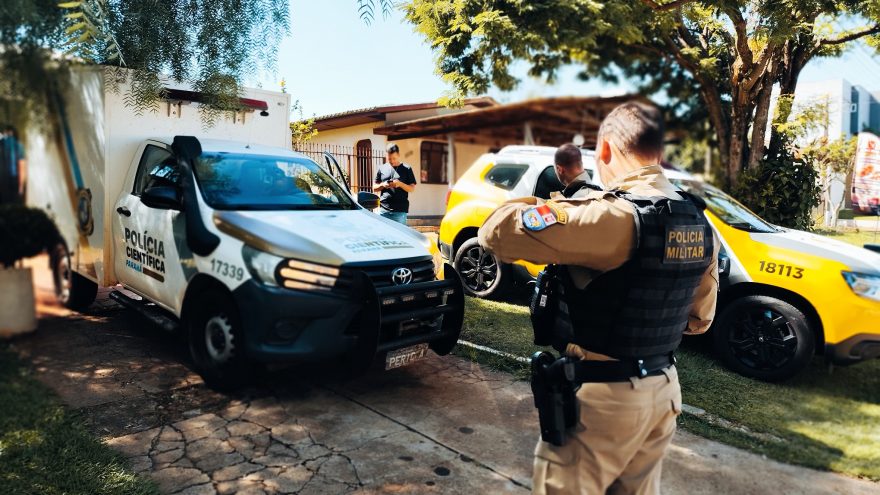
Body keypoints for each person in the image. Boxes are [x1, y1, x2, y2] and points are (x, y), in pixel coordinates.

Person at [478, 102, 719, 495]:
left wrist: (549, 202)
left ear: (604, 149)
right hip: (663, 390)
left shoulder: (611, 215)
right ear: (659, 152)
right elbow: (699, 319)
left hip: (605, 400)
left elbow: (496, 233)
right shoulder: (697, 220)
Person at [373, 143, 416, 225]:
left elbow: (412, 188)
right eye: (389, 159)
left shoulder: (407, 169)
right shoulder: (381, 168)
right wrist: (382, 185)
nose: (392, 161)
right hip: (383, 211)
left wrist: (400, 184)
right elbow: (374, 188)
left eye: (394, 158)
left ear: (398, 155)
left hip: (400, 212)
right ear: (386, 156)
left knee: (400, 233)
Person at [0, 124, 27, 205]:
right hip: (14, 178)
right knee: (14, 203)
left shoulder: (2, 143)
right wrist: (21, 186)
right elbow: (22, 167)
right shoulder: (19, 146)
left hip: (3, 179)